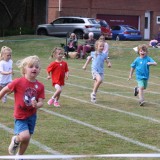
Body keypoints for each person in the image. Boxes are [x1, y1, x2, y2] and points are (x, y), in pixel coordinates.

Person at [0, 55, 45, 156]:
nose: (34, 68)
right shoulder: (18, 82)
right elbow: (4, 90)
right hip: (20, 115)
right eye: (31, 66)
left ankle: (19, 156)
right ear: (24, 69)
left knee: (27, 137)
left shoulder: (40, 86)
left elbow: (41, 102)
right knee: (24, 136)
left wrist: (37, 105)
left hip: (32, 116)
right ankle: (16, 139)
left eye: (37, 67)